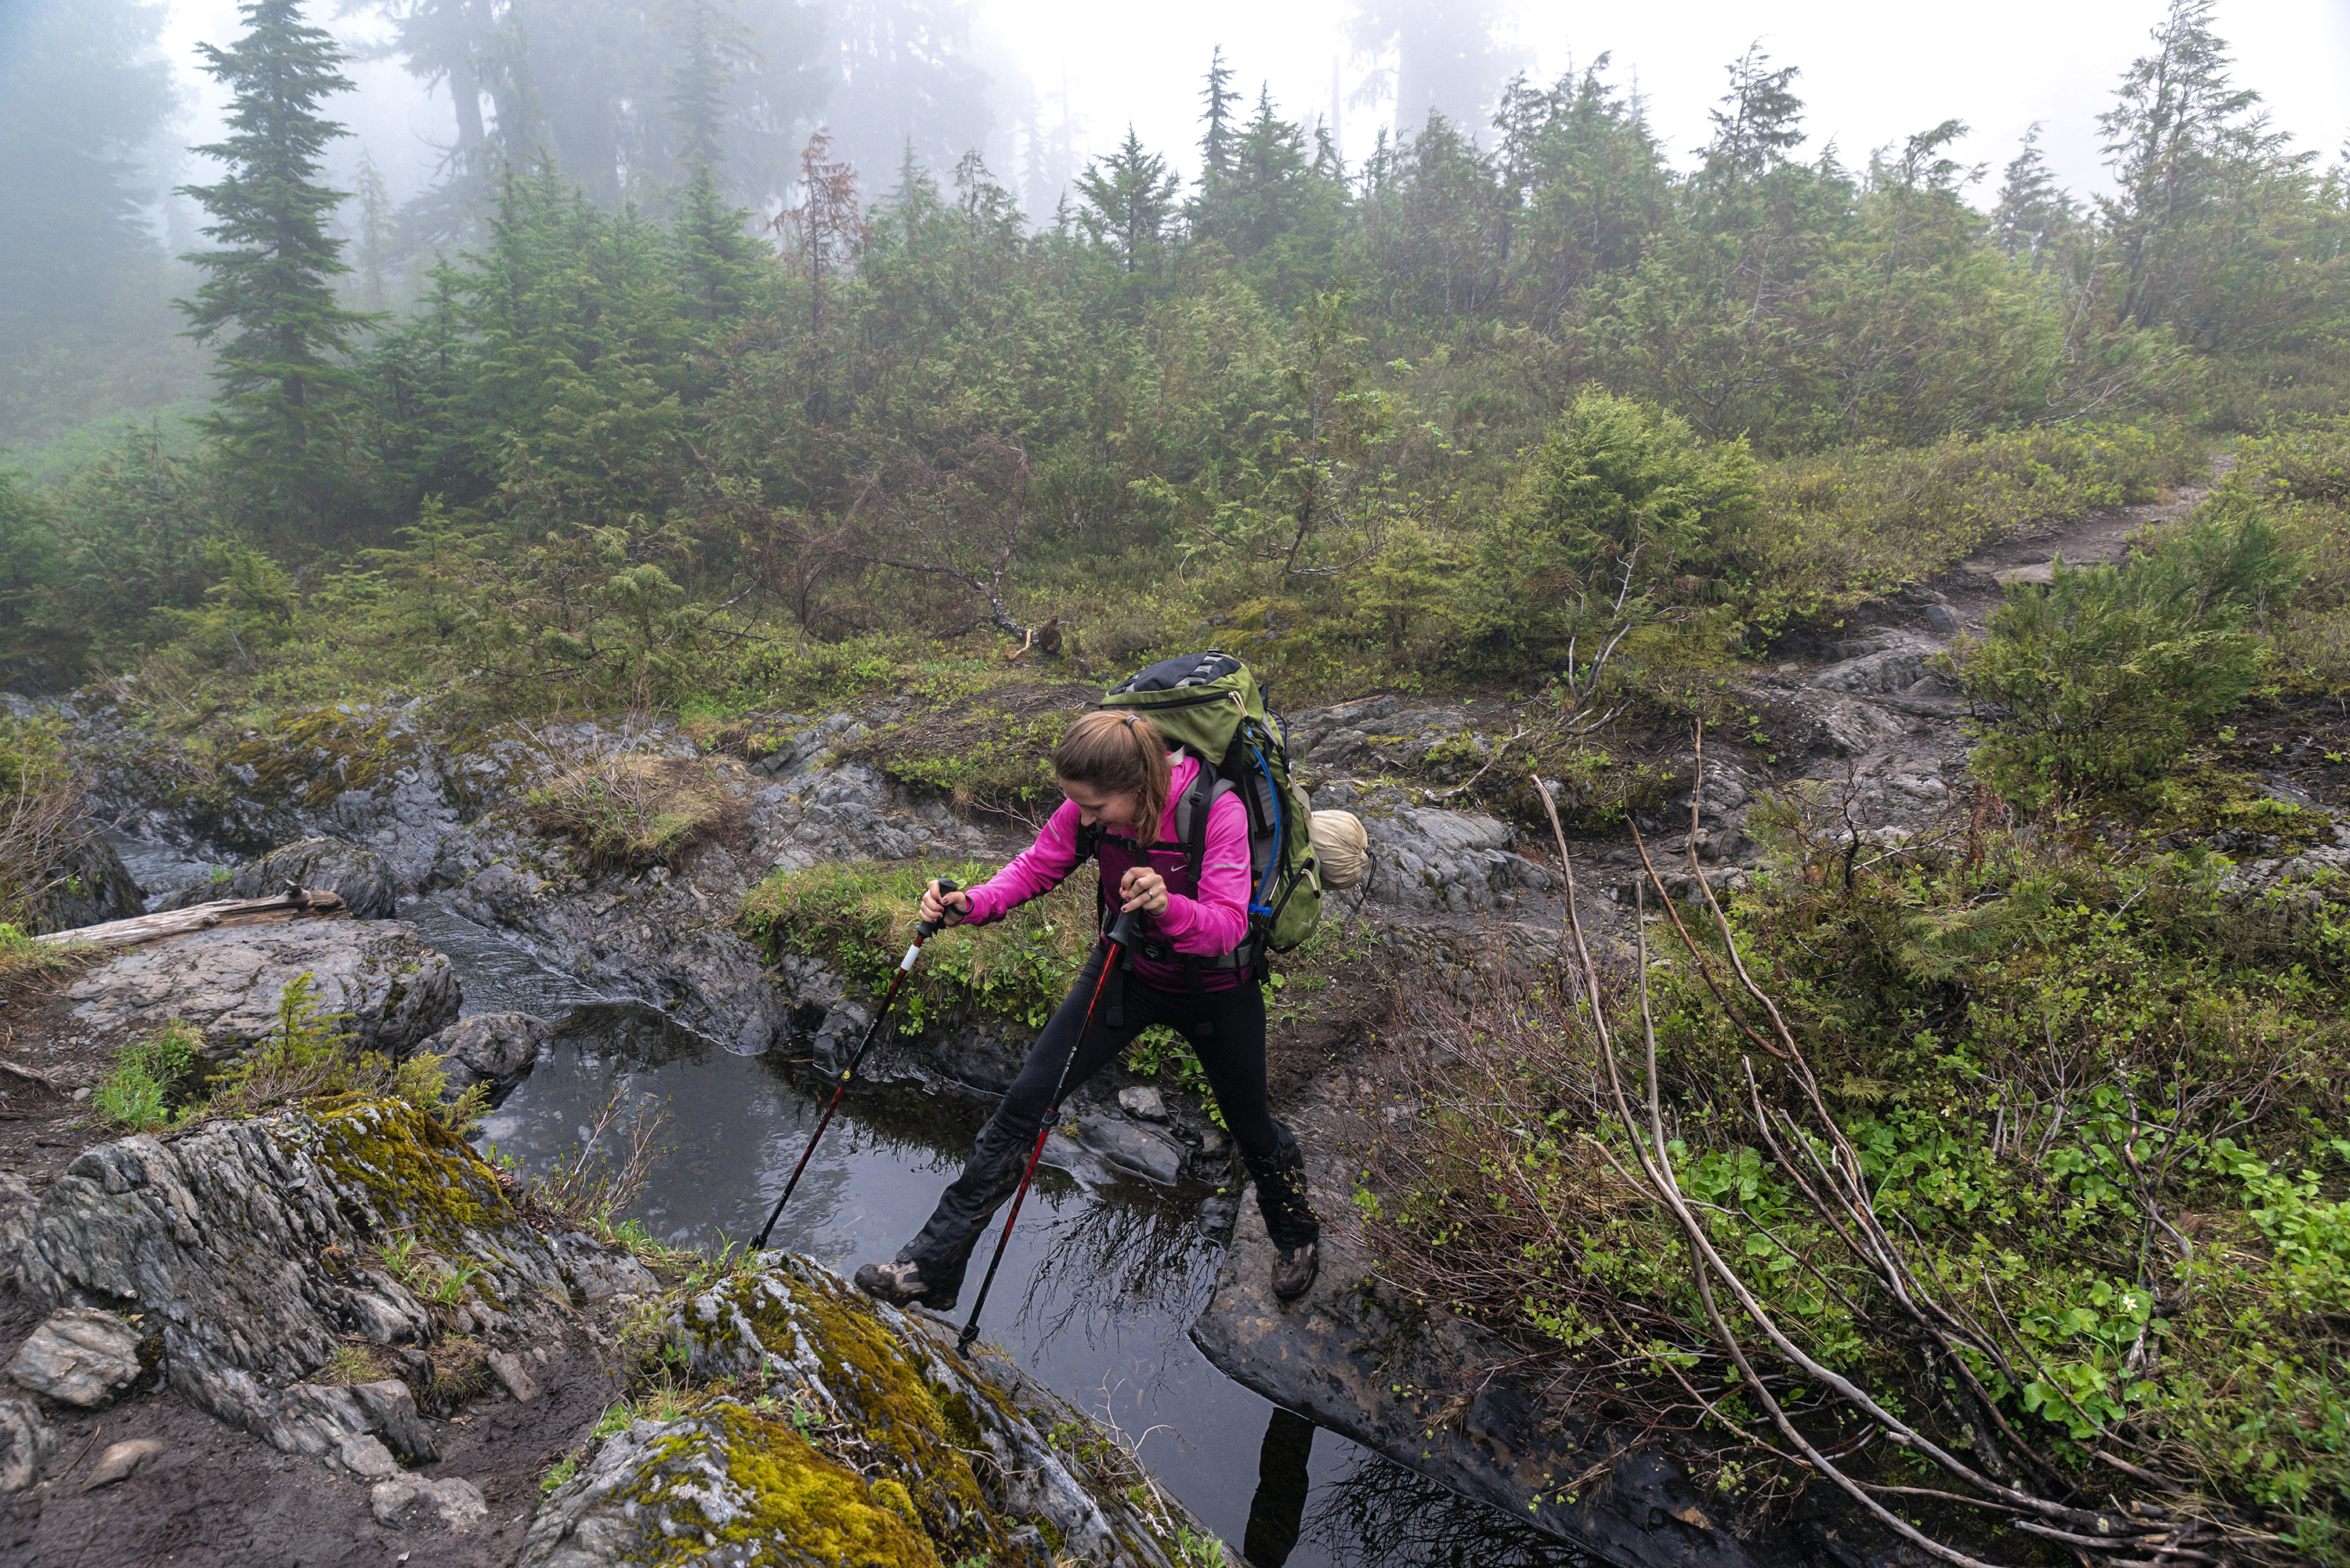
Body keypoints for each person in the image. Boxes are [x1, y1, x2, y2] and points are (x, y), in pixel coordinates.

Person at [853, 709, 1320, 1309]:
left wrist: (1167, 906)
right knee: (1023, 1104)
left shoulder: (1216, 808)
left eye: (1096, 808)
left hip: (1218, 988)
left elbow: (1227, 928)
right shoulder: (1086, 809)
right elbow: (1035, 867)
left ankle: (1296, 1235)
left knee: (1250, 1125)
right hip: (1125, 972)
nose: (1085, 817)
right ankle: (931, 1265)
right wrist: (972, 903)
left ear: (1143, 786)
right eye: (1080, 807)